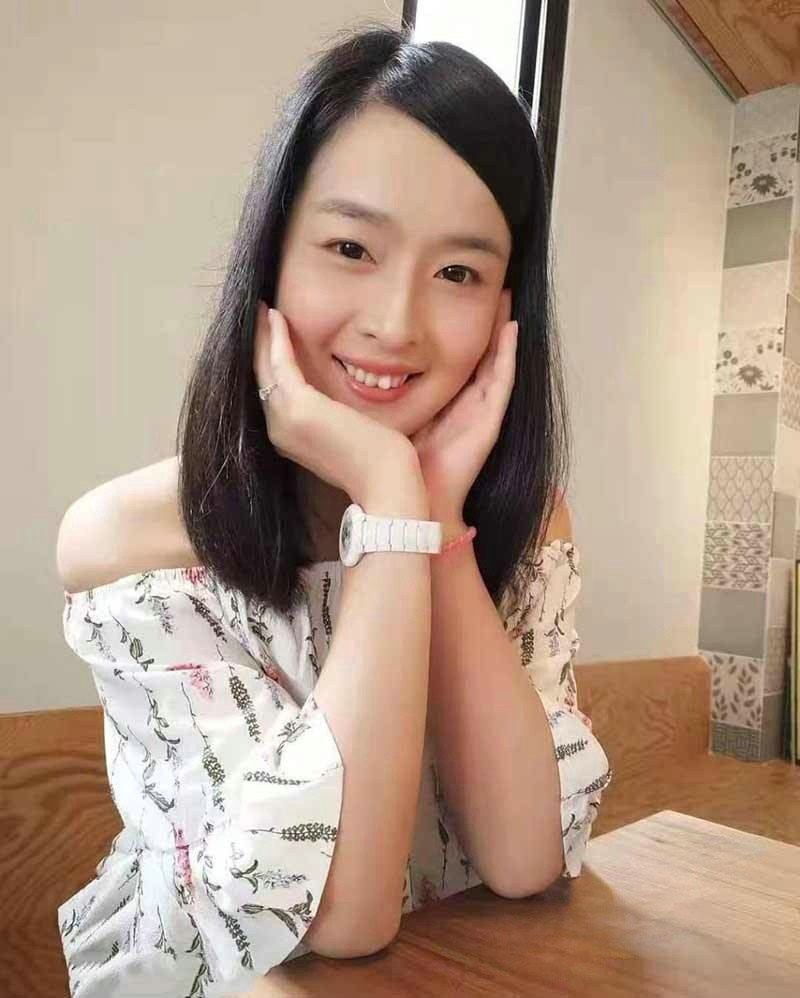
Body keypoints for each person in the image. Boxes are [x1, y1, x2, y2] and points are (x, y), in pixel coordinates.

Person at [55, 21, 612, 998]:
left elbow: (525, 857)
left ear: (506, 307)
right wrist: (390, 497)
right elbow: (336, 919)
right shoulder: (133, 541)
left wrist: (432, 518)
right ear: (272, 255)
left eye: (458, 272)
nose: (394, 323)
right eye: (350, 246)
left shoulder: (529, 527)